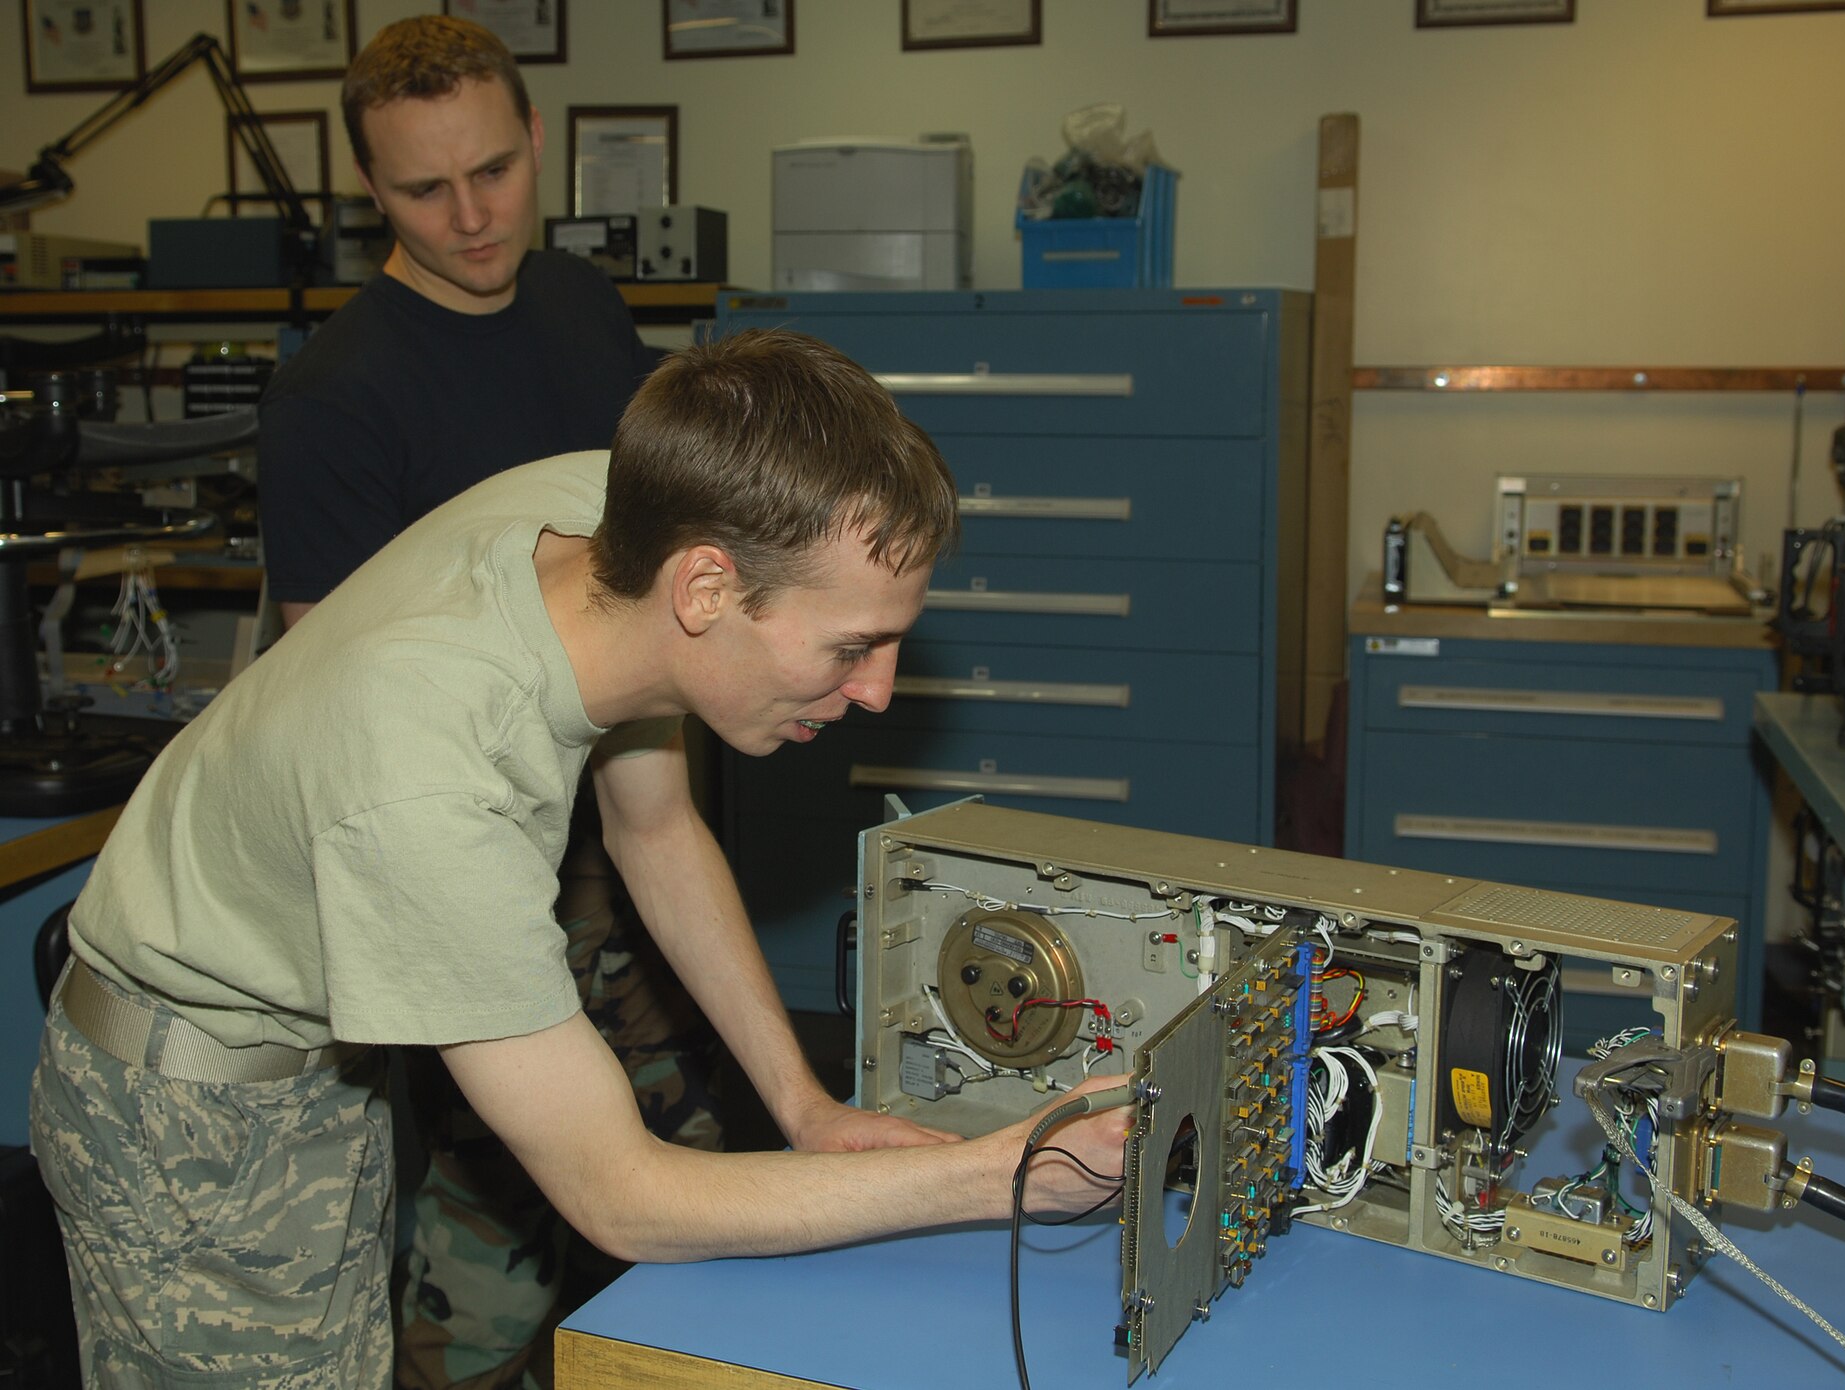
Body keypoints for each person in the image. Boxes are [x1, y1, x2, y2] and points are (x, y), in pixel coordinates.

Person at [30, 329, 1131, 1388]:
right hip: (195, 1115)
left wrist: (804, 1107)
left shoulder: (611, 519)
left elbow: (653, 830)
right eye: (852, 645)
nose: (878, 690)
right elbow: (620, 1196)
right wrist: (1006, 1172)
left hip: (313, 1066)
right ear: (705, 590)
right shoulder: (427, 776)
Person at [255, 19, 712, 1387]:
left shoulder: (580, 305)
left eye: (496, 173)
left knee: (687, 1171)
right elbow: (347, 716)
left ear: (535, 139)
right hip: (470, 858)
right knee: (497, 1231)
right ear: (367, 191)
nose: (470, 218)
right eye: (422, 189)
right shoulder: (334, 396)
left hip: (618, 810)